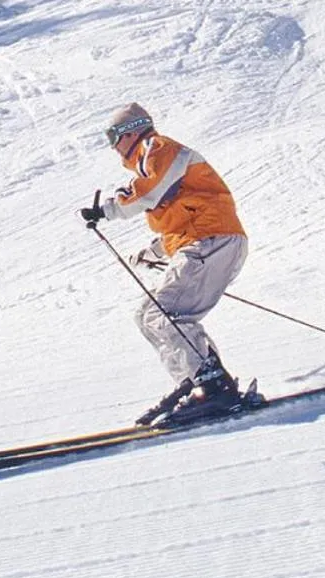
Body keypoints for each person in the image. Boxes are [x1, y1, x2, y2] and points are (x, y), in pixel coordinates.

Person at [81, 103, 250, 426]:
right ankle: (197, 382)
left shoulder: (158, 148)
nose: (114, 147)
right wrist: (153, 253)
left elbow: (148, 194)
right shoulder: (153, 162)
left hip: (212, 241)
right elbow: (179, 216)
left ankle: (213, 385)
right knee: (146, 314)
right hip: (204, 241)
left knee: (165, 313)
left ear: (128, 132)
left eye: (112, 138)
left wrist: (106, 210)